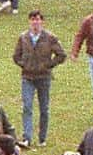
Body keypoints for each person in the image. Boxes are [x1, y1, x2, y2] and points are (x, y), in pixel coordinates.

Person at [13, 8, 67, 147]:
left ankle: (42, 138)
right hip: (27, 76)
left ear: (42, 21)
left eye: (37, 19)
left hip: (44, 77)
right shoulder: (23, 37)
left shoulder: (49, 38)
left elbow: (61, 54)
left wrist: (49, 65)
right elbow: (16, 55)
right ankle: (27, 137)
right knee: (27, 106)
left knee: (44, 108)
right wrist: (23, 64)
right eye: (32, 20)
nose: (35, 23)